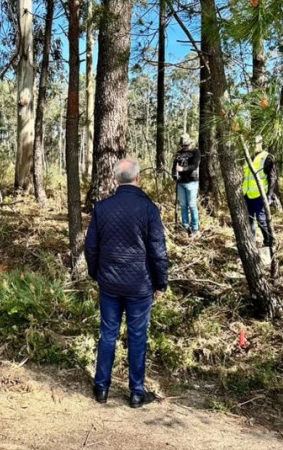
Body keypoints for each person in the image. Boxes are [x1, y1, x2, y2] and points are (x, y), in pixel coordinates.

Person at [85, 158, 168, 408]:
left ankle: (101, 388)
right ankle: (136, 393)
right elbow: (158, 251)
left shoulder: (102, 207)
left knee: (107, 334)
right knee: (137, 336)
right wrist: (160, 283)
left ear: (116, 180)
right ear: (137, 178)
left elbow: (91, 247)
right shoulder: (149, 209)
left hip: (109, 283)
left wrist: (96, 274)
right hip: (139, 285)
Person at [242, 136, 276, 248]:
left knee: (261, 220)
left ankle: (268, 243)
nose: (254, 145)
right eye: (251, 143)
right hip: (247, 195)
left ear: (261, 143)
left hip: (260, 195)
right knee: (249, 220)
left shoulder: (267, 157)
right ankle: (250, 243)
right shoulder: (249, 157)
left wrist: (269, 196)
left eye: (256, 143)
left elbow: (272, 177)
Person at [171, 133, 201, 235]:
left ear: (189, 143)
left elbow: (194, 165)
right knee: (183, 205)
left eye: (186, 145)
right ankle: (185, 226)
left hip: (192, 182)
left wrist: (183, 169)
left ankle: (195, 227)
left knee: (192, 205)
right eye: (183, 145)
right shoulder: (178, 153)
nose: (184, 147)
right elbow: (174, 166)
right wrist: (174, 175)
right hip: (180, 182)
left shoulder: (195, 152)